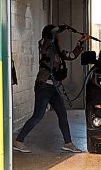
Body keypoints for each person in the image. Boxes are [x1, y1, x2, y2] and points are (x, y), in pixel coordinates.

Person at [13, 24, 89, 153]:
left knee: (62, 115)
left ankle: (68, 143)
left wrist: (80, 43)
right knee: (38, 116)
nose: (57, 36)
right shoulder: (45, 44)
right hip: (43, 86)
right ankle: (19, 141)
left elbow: (71, 55)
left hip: (54, 87)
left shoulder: (57, 51)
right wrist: (63, 27)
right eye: (55, 34)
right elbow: (52, 33)